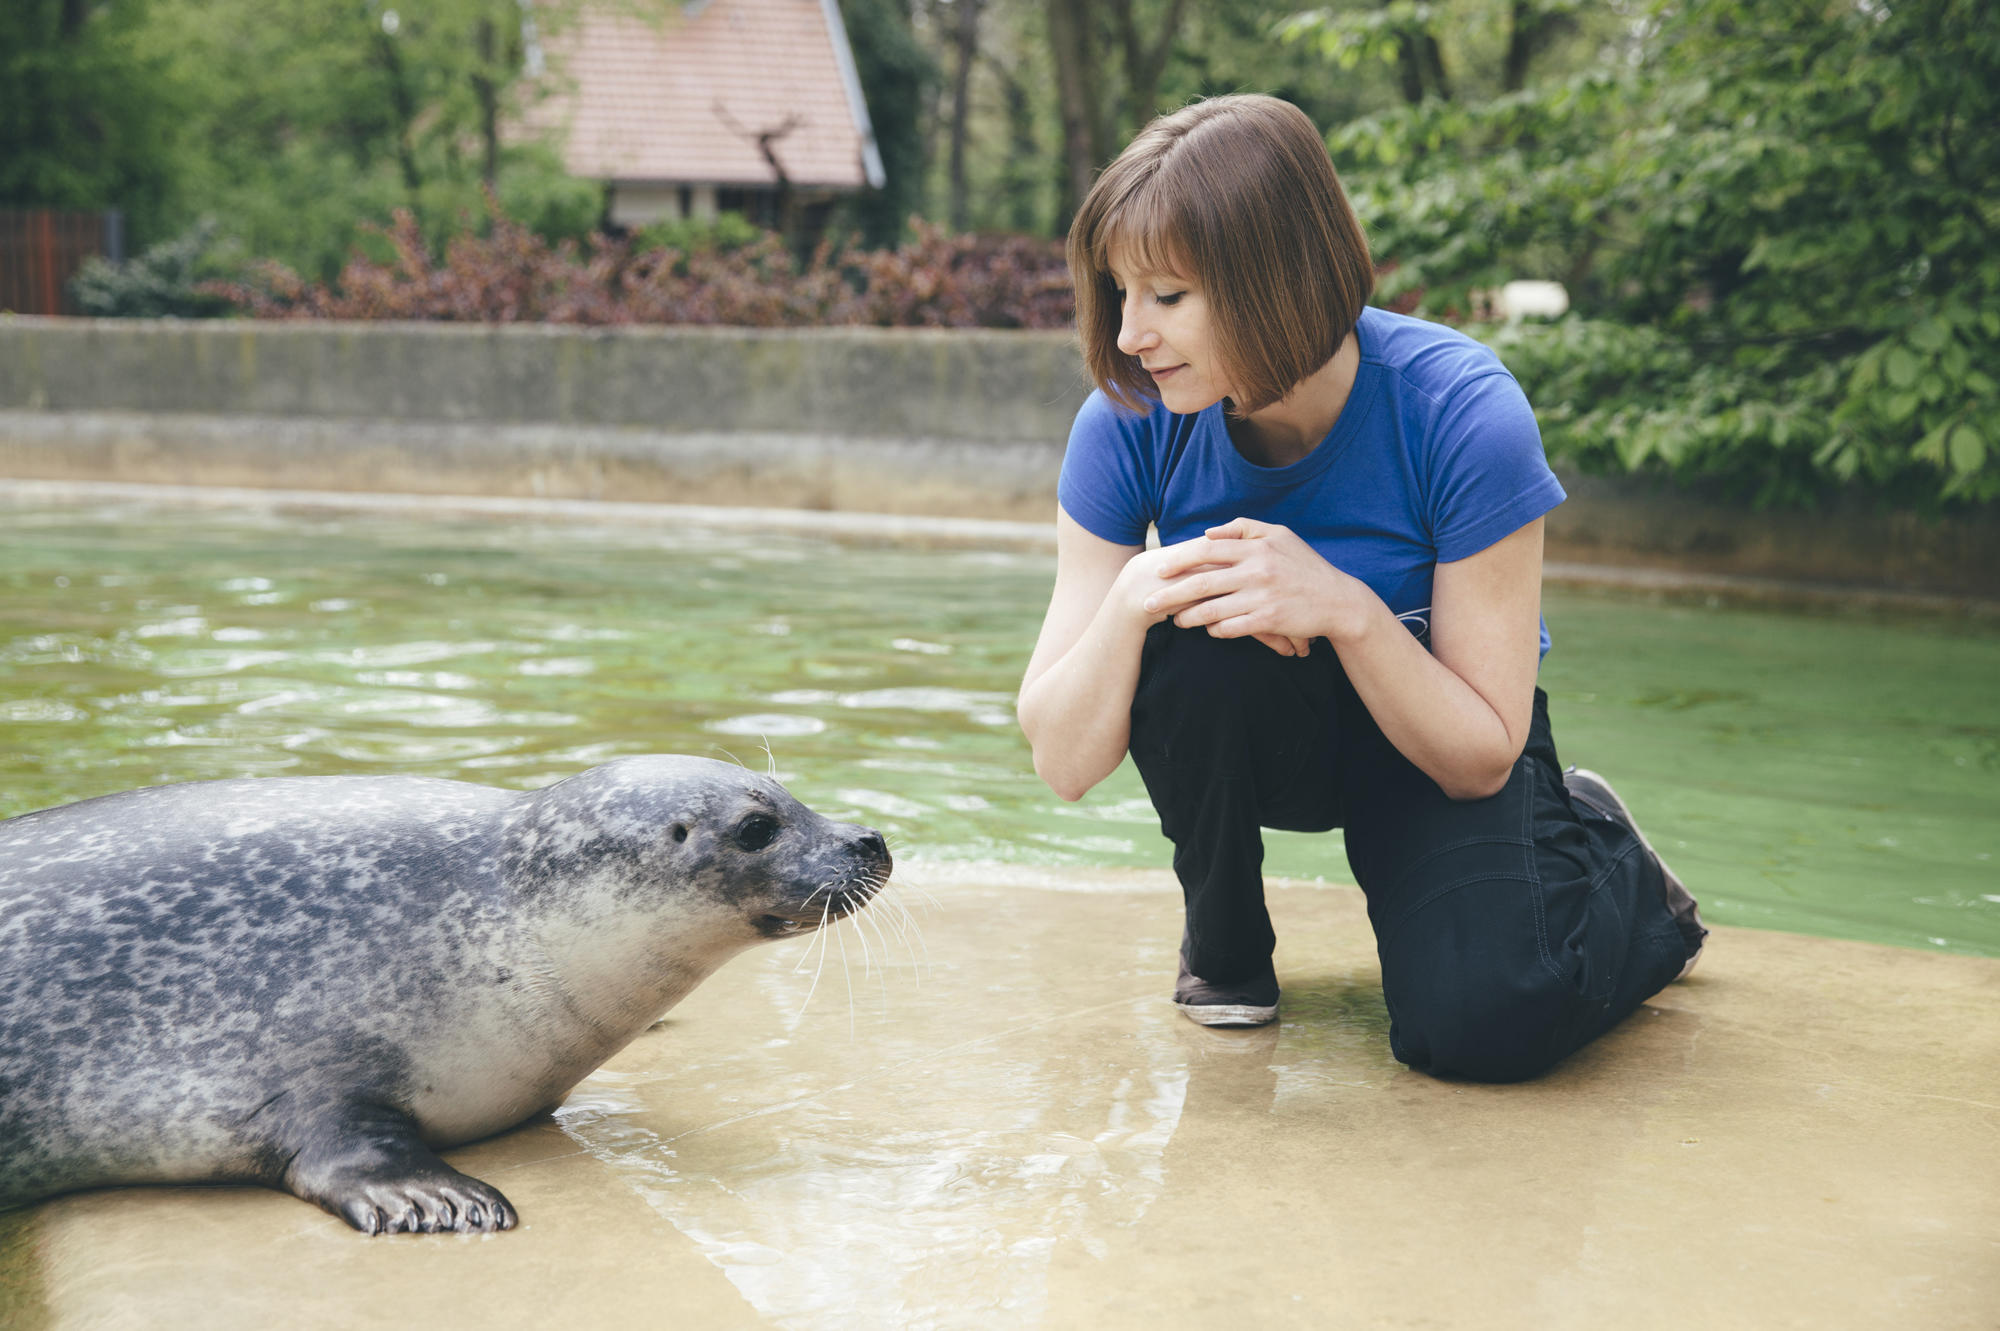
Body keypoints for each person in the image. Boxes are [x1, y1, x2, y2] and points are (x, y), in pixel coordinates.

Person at [1016, 94, 1707, 1083]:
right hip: (1260, 729)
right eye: (1119, 292)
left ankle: (1614, 868)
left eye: (1166, 295)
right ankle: (1224, 945)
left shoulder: (1461, 411)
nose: (1129, 335)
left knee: (1482, 1028)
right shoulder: (1126, 421)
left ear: (1276, 280)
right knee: (1180, 629)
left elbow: (1479, 755)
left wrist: (1346, 609)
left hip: (1431, 738)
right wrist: (1131, 598)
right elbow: (1063, 760)